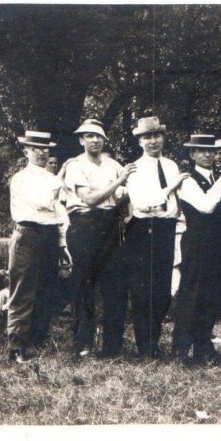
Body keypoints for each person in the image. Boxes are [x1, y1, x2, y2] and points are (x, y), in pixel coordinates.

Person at [63, 119, 136, 358]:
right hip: (85, 226)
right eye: (89, 136)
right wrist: (119, 182)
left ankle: (112, 346)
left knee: (115, 285)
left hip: (110, 226)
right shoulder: (75, 165)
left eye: (99, 136)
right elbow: (90, 199)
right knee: (84, 285)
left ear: (105, 140)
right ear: (81, 140)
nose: (94, 140)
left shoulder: (113, 164)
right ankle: (82, 344)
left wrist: (127, 198)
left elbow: (120, 197)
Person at [171, 134, 221, 365]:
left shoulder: (214, 178)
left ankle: (202, 346)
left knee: (212, 296)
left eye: (211, 151)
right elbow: (206, 206)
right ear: (192, 155)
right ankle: (181, 349)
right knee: (192, 295)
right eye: (202, 151)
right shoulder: (188, 181)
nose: (208, 155)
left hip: (216, 246)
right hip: (197, 245)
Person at [124, 116, 188, 359]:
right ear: (140, 141)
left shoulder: (171, 165)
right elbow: (143, 204)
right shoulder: (134, 169)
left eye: (156, 136)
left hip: (167, 228)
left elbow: (175, 204)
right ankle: (146, 346)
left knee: (163, 289)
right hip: (144, 230)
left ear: (163, 137)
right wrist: (170, 188)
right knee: (144, 288)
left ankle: (155, 340)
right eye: (147, 137)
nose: (152, 141)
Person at [7, 130, 71, 362]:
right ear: (26, 151)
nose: (41, 153)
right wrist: (59, 180)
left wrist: (62, 242)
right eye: (36, 148)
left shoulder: (50, 178)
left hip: (49, 235)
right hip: (28, 234)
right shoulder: (21, 178)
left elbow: (59, 212)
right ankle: (16, 347)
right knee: (23, 289)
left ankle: (36, 340)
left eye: (45, 148)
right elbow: (43, 202)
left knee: (47, 288)